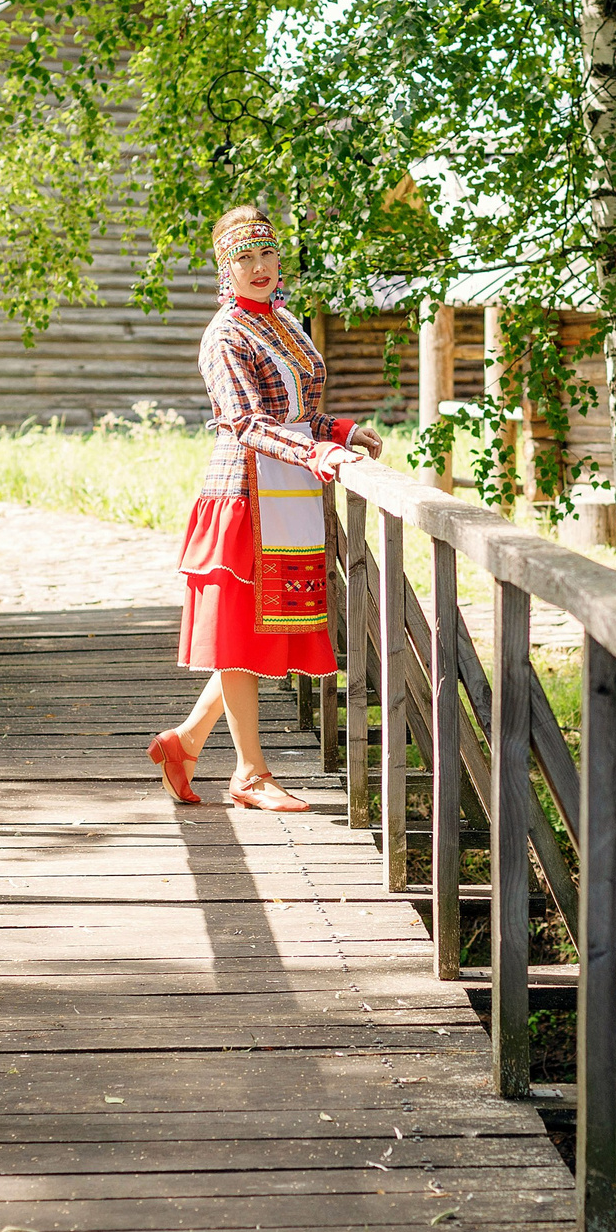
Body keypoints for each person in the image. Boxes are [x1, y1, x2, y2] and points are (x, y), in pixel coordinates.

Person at [151, 205, 383, 810]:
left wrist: (340, 431)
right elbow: (247, 422)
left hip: (292, 492)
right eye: (243, 258)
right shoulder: (225, 335)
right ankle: (250, 773)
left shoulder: (285, 321)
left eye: (266, 254)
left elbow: (297, 414)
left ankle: (187, 742)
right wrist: (317, 453)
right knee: (238, 632)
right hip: (243, 495)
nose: (259, 267)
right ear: (225, 270)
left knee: (254, 632)